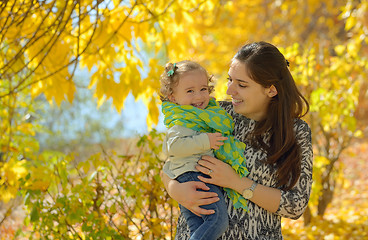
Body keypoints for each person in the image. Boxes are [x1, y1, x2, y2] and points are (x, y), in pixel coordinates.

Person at [161, 42, 313, 239]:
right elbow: (172, 159)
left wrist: (236, 182)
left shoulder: (295, 132)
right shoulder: (214, 114)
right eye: (229, 79)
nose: (230, 90)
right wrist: (176, 190)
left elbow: (296, 204)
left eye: (241, 85)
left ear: (271, 90)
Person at [159, 60, 249, 240]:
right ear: (173, 98)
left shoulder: (209, 114)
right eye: (190, 91)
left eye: (203, 89)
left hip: (192, 175)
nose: (199, 96)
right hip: (192, 175)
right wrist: (205, 140)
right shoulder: (182, 121)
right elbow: (172, 147)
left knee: (197, 228)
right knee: (217, 222)